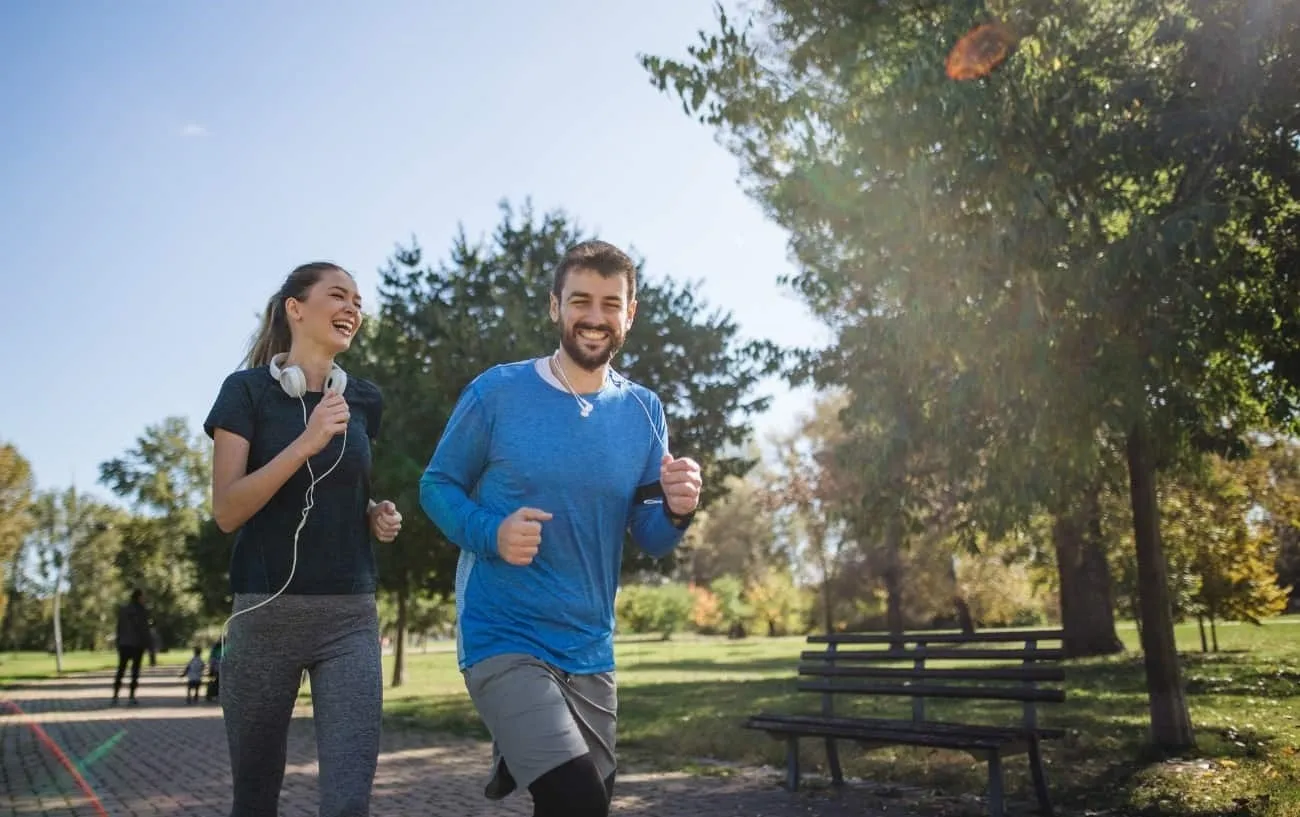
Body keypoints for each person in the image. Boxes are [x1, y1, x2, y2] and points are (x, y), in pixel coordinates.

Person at [419, 240, 704, 817]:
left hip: (589, 647)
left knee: (580, 805)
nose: (594, 317)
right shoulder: (496, 392)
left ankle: (522, 746)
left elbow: (648, 536)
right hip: (504, 632)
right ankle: (521, 729)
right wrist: (491, 532)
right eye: (580, 301)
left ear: (630, 313)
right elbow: (437, 486)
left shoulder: (645, 410)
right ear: (555, 307)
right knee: (578, 803)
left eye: (609, 303)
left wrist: (676, 509)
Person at [204, 261, 403, 817]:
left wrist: (372, 512)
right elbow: (226, 510)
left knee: (348, 800)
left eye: (359, 302)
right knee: (256, 797)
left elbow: (336, 488)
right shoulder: (245, 393)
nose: (353, 309)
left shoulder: (362, 399)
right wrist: (305, 443)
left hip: (350, 618)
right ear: (295, 308)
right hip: (265, 616)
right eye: (338, 295)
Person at [111, 588, 151, 706]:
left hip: (124, 643)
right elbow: (144, 629)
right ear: (139, 597)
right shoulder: (142, 611)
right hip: (137, 644)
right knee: (135, 671)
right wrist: (148, 644)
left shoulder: (123, 610)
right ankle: (131, 696)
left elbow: (119, 627)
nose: (145, 599)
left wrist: (118, 641)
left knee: (121, 669)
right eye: (143, 597)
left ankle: (115, 695)